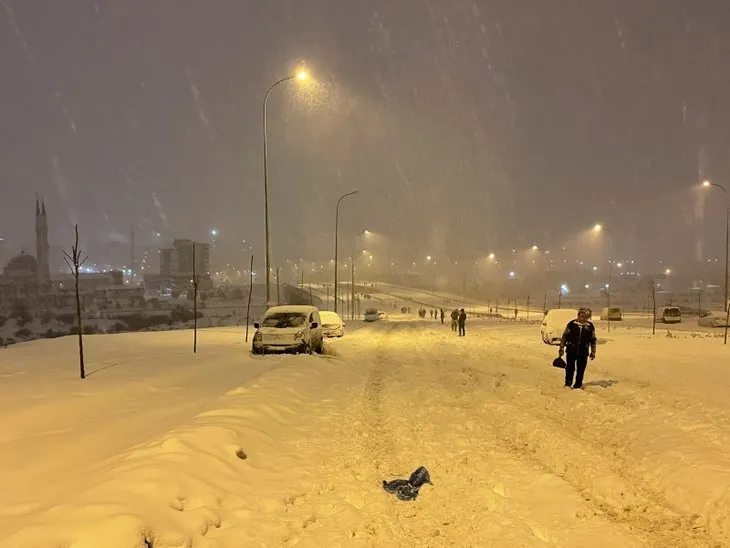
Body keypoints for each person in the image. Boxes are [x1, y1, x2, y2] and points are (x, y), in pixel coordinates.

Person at [558, 308, 596, 389]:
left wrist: (593, 352)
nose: (584, 318)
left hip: (583, 352)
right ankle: (568, 384)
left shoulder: (590, 327)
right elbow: (564, 337)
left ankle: (578, 385)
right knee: (570, 368)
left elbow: (593, 340)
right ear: (578, 316)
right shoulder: (572, 324)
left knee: (581, 370)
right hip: (571, 350)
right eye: (582, 316)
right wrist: (561, 348)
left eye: (586, 317)